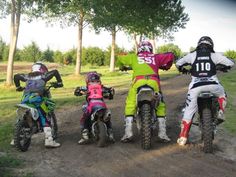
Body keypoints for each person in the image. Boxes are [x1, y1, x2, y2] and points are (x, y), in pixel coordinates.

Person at [175, 36, 235, 146]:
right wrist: (221, 68)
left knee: (189, 111)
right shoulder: (215, 55)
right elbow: (230, 63)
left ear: (199, 44)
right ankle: (221, 111)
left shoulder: (192, 55)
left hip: (196, 87)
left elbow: (178, 63)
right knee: (222, 94)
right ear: (211, 45)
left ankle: (183, 137)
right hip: (213, 85)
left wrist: (184, 69)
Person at [117, 41, 175, 143]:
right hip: (153, 82)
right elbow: (170, 55)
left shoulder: (133, 57)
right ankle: (162, 134)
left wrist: (121, 66)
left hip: (138, 82)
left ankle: (128, 133)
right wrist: (167, 66)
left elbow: (120, 56)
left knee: (130, 103)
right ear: (150, 49)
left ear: (139, 49)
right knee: (160, 104)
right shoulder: (156, 57)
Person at [13, 62, 63, 148]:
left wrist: (18, 87)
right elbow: (55, 71)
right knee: (44, 116)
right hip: (37, 98)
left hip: (26, 98)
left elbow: (16, 76)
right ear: (43, 69)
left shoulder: (27, 76)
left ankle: (14, 139)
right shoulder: (43, 76)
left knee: (21, 117)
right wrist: (59, 82)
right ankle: (49, 141)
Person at [74, 72, 115, 144]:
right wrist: (110, 92)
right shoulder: (102, 87)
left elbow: (77, 92)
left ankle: (85, 134)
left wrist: (78, 91)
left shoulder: (86, 87)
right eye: (93, 81)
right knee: (107, 118)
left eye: (96, 81)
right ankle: (110, 132)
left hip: (91, 105)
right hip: (102, 105)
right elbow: (110, 93)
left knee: (85, 118)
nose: (95, 83)